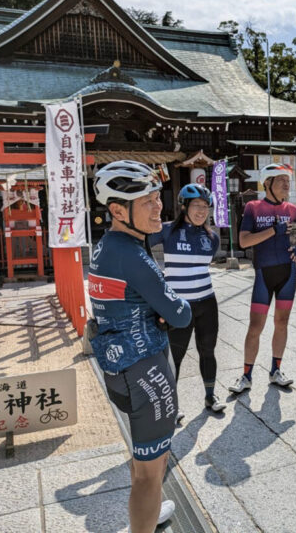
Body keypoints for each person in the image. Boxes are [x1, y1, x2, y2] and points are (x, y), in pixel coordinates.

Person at [88, 160, 192, 533]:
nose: (158, 207)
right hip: (146, 372)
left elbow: (126, 301)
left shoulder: (106, 247)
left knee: (142, 459)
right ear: (118, 210)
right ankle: (142, 525)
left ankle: (145, 517)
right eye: (147, 201)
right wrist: (172, 308)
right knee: (150, 473)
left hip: (121, 368)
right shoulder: (133, 256)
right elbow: (180, 314)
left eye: (157, 198)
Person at [228, 163, 296, 392]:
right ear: (267, 183)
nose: (287, 185)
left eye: (288, 181)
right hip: (264, 274)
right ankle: (246, 376)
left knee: (282, 322)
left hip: (288, 272)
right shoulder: (253, 207)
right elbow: (244, 241)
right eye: (281, 181)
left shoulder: (291, 208)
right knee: (256, 326)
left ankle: (276, 370)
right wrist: (272, 231)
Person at [148, 183, 225, 418]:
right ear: (185, 207)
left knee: (207, 351)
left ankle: (211, 396)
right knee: (175, 357)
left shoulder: (211, 238)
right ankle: (171, 405)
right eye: (196, 206)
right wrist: (153, 271)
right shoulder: (167, 230)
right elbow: (140, 245)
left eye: (206, 206)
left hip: (207, 303)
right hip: (178, 305)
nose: (202, 211)